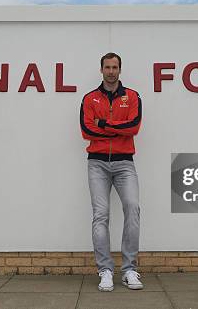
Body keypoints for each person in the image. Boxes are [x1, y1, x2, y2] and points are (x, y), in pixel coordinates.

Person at [79, 52, 143, 292]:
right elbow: (87, 130)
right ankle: (105, 270)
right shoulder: (89, 98)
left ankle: (129, 270)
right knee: (101, 215)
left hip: (125, 163)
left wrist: (104, 125)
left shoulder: (133, 97)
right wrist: (118, 130)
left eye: (115, 67)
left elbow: (134, 127)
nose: (111, 71)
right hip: (97, 163)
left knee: (133, 208)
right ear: (101, 69)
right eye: (107, 67)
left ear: (120, 69)